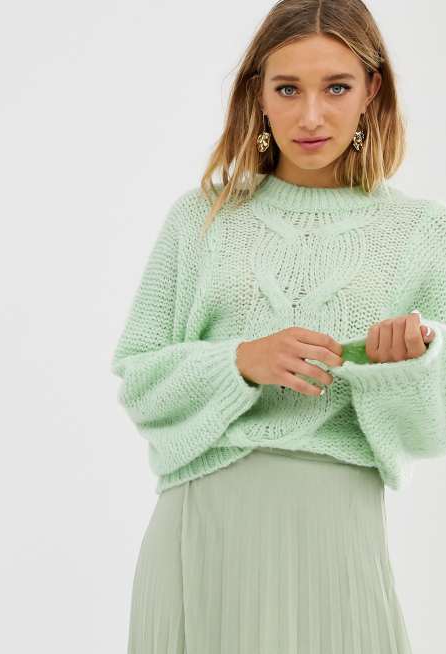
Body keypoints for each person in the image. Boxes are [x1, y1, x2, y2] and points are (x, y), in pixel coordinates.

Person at [111, 0, 446, 651]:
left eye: (336, 87)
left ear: (372, 90)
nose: (310, 116)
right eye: (288, 89)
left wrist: (402, 370)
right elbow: (140, 385)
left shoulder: (420, 233)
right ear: (258, 95)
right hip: (203, 530)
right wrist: (238, 362)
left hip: (336, 531)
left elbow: (429, 431)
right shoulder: (202, 217)